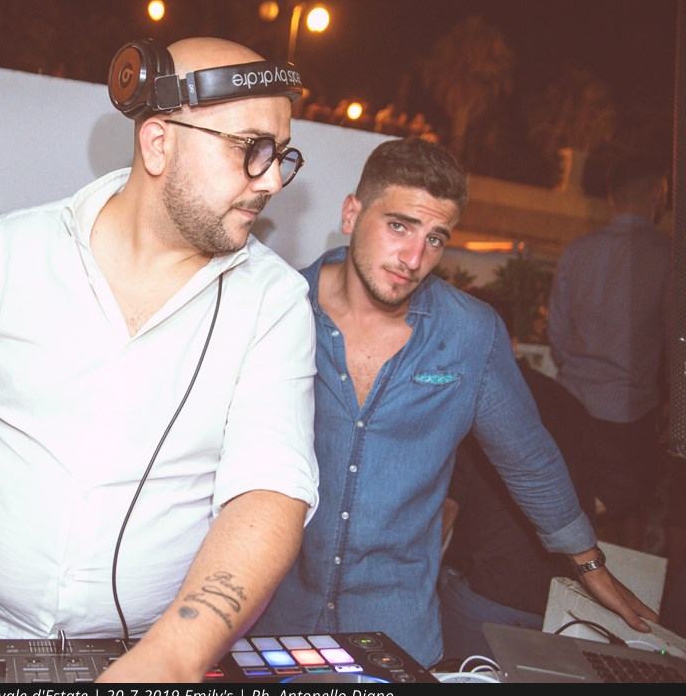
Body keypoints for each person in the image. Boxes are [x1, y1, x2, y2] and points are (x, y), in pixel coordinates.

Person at [0, 37, 318, 682]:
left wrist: (175, 654)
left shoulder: (275, 300)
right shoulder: (13, 248)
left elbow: (270, 490)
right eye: (250, 148)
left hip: (151, 654)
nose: (272, 179)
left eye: (281, 155)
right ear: (158, 142)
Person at [254, 137, 656, 668]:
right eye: (399, 226)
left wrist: (590, 565)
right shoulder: (277, 307)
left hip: (394, 631)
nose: (414, 259)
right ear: (352, 214)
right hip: (272, 617)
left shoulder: (469, 334)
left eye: (435, 238)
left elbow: (529, 457)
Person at [438, 290, 596, 659]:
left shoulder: (469, 397)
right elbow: (611, 491)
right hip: (565, 596)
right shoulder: (570, 402)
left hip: (487, 592)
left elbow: (446, 511)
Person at [548, 154, 670, 550]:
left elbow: (557, 336)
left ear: (611, 197)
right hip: (630, 410)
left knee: (574, 510)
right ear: (659, 193)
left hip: (572, 403)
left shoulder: (577, 251)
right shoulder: (668, 257)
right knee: (631, 516)